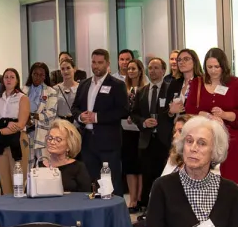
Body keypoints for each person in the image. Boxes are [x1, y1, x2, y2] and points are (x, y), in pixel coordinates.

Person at [180, 47, 238, 186]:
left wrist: (224, 115)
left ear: (223, 66)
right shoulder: (197, 83)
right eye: (209, 67)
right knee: (205, 185)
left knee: (235, 186)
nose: (213, 70)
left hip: (231, 141)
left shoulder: (235, 83)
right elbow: (190, 108)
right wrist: (205, 115)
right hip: (204, 141)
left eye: (216, 67)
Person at [73, 48, 128, 196]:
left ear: (108, 64)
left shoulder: (117, 85)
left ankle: (116, 216)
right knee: (91, 182)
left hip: (108, 142)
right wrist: (80, 117)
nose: (96, 66)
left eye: (100, 63)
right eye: (93, 62)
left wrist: (97, 117)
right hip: (87, 141)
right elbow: (75, 107)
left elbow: (123, 111)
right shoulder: (84, 84)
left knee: (112, 183)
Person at [134, 56, 171, 208]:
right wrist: (143, 121)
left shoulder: (170, 89)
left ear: (163, 70)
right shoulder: (142, 91)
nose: (153, 71)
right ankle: (148, 207)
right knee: (147, 175)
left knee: (164, 175)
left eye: (156, 68)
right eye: (150, 68)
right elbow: (134, 113)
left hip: (165, 139)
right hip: (147, 140)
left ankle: (165, 206)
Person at [0, 68, 30, 193]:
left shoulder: (22, 98)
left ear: (17, 80)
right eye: (6, 77)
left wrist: (0, 130)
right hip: (0, 143)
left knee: (18, 180)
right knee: (4, 181)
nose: (9, 79)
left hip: (17, 141)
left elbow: (21, 124)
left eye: (12, 77)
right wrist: (8, 124)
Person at [40, 118, 92, 193]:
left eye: (58, 139)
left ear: (69, 145)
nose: (52, 142)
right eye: (50, 138)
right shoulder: (39, 166)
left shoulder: (78, 168)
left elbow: (86, 197)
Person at [121, 58, 145, 210]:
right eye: (129, 69)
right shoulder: (123, 88)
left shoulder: (146, 88)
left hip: (141, 132)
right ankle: (132, 199)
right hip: (126, 131)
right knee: (129, 166)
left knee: (140, 165)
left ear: (140, 71)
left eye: (133, 68)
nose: (130, 71)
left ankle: (141, 198)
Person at [25, 62, 59, 167]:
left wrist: (31, 116)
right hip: (26, 132)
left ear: (45, 76)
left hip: (42, 133)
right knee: (27, 166)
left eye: (41, 75)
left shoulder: (51, 92)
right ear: (31, 74)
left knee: (44, 164)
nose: (38, 77)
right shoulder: (23, 90)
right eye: (35, 74)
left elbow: (51, 113)